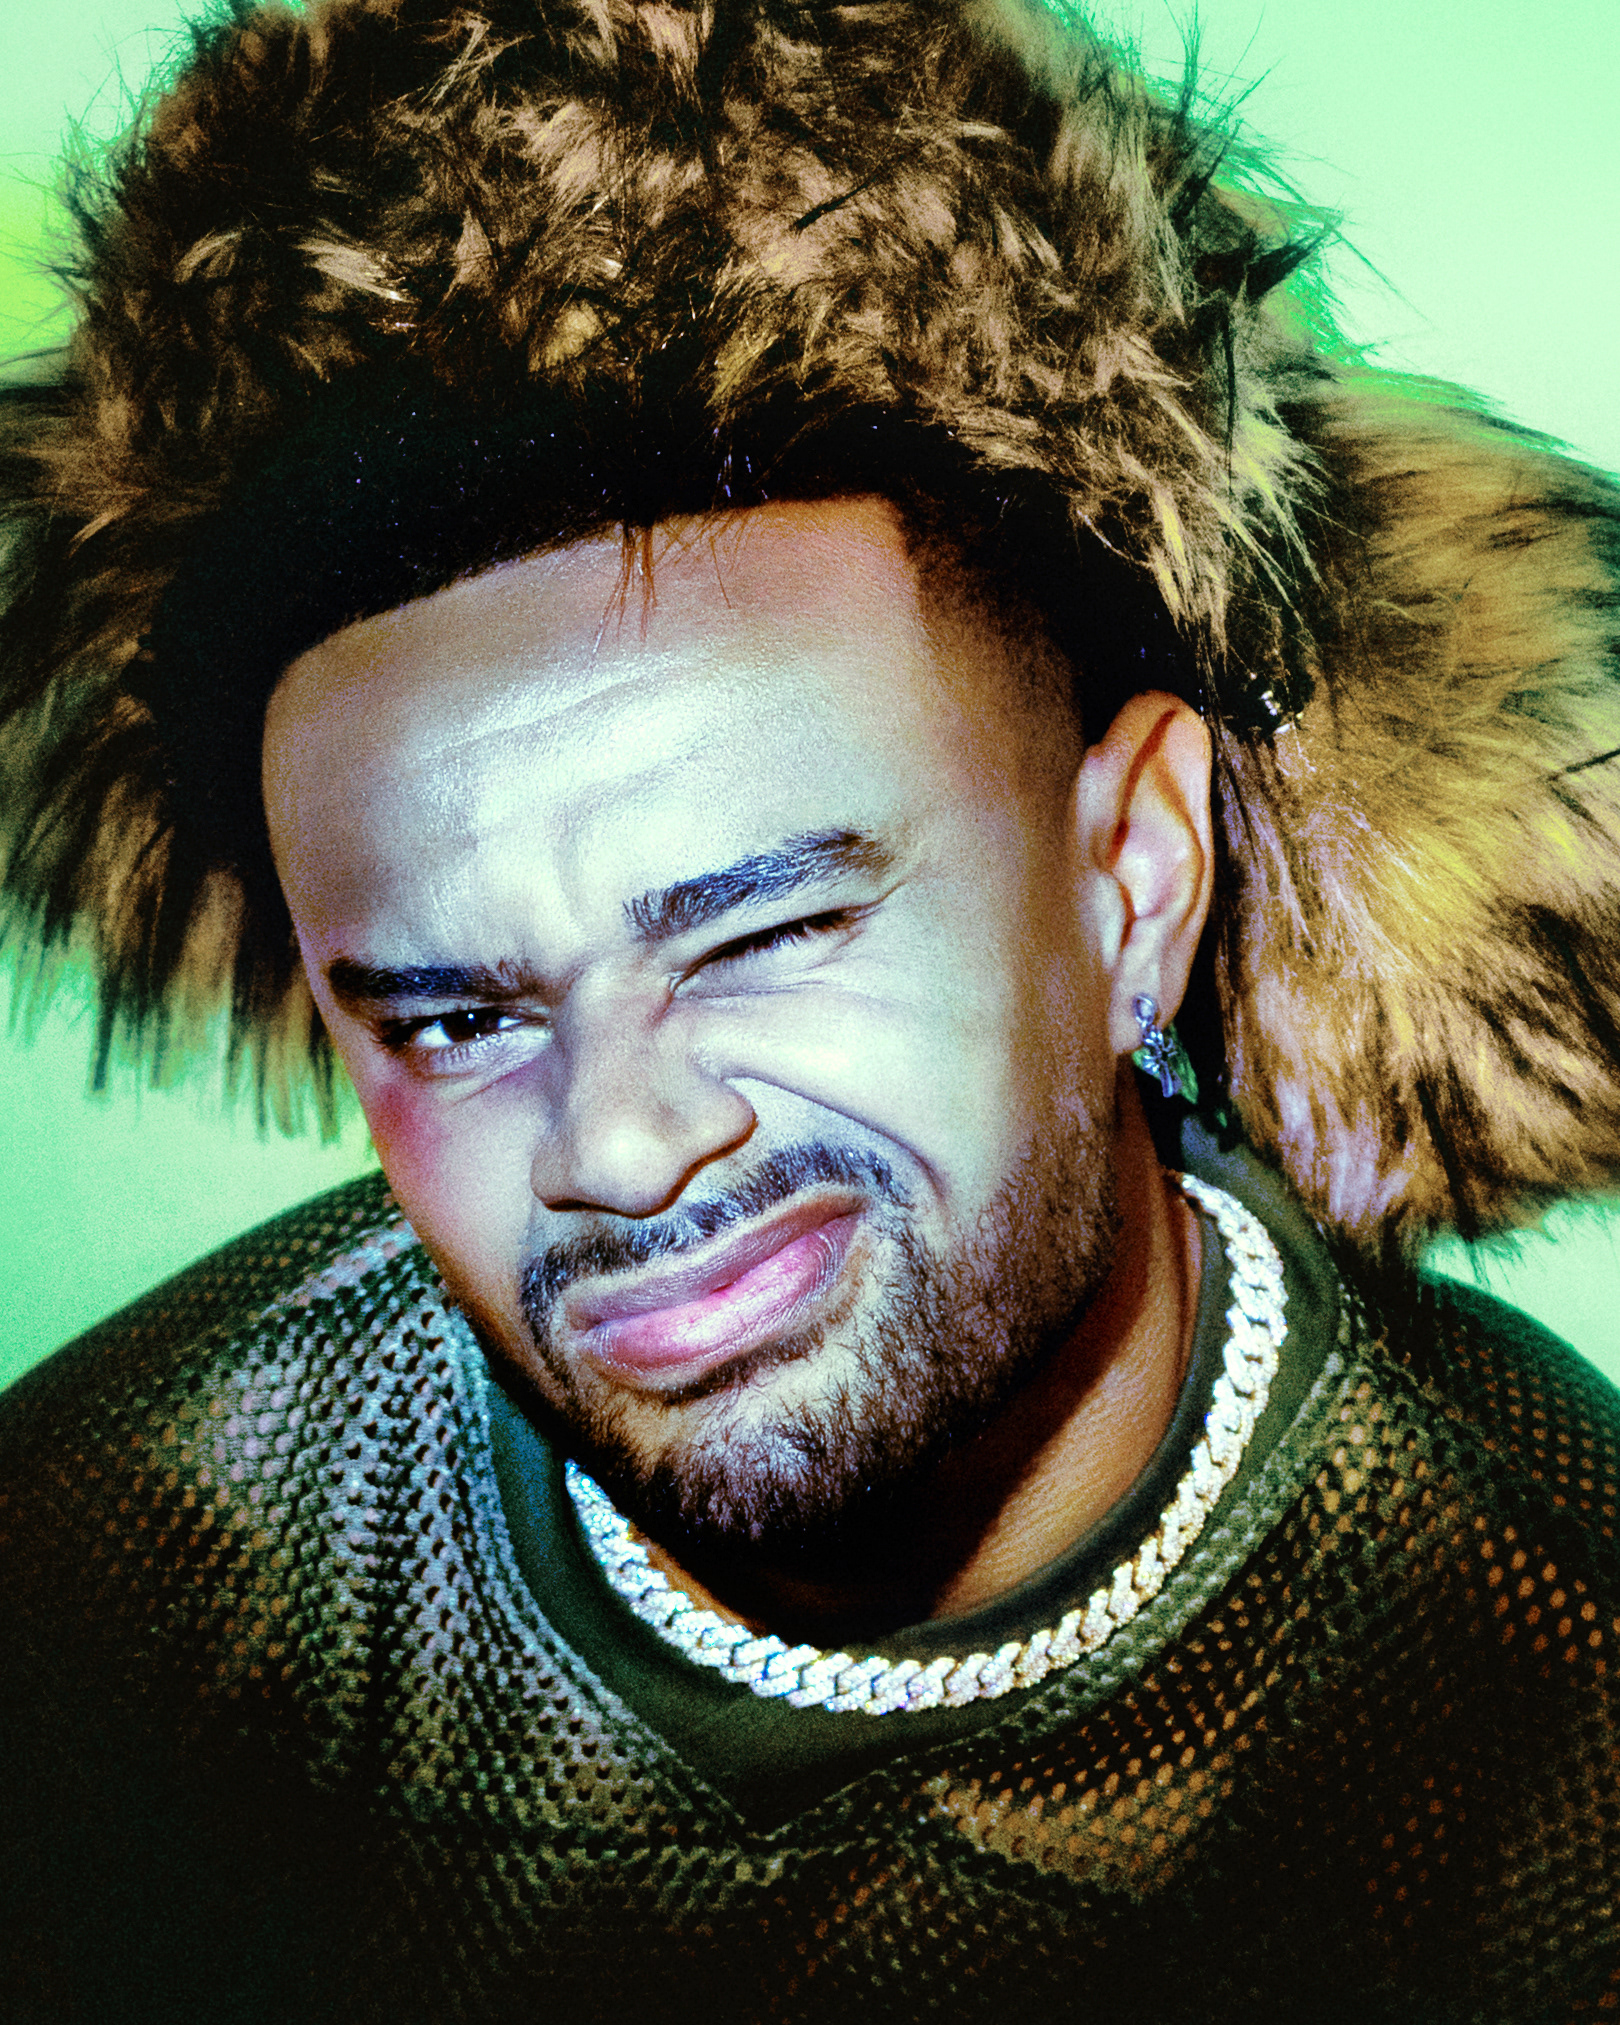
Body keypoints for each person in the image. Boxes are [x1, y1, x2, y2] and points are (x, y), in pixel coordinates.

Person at [2, 1, 1617, 2017]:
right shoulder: (101, 1604)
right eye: (456, 1021)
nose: (615, 1144)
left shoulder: (1556, 1725)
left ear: (1132, 878)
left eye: (762, 933)